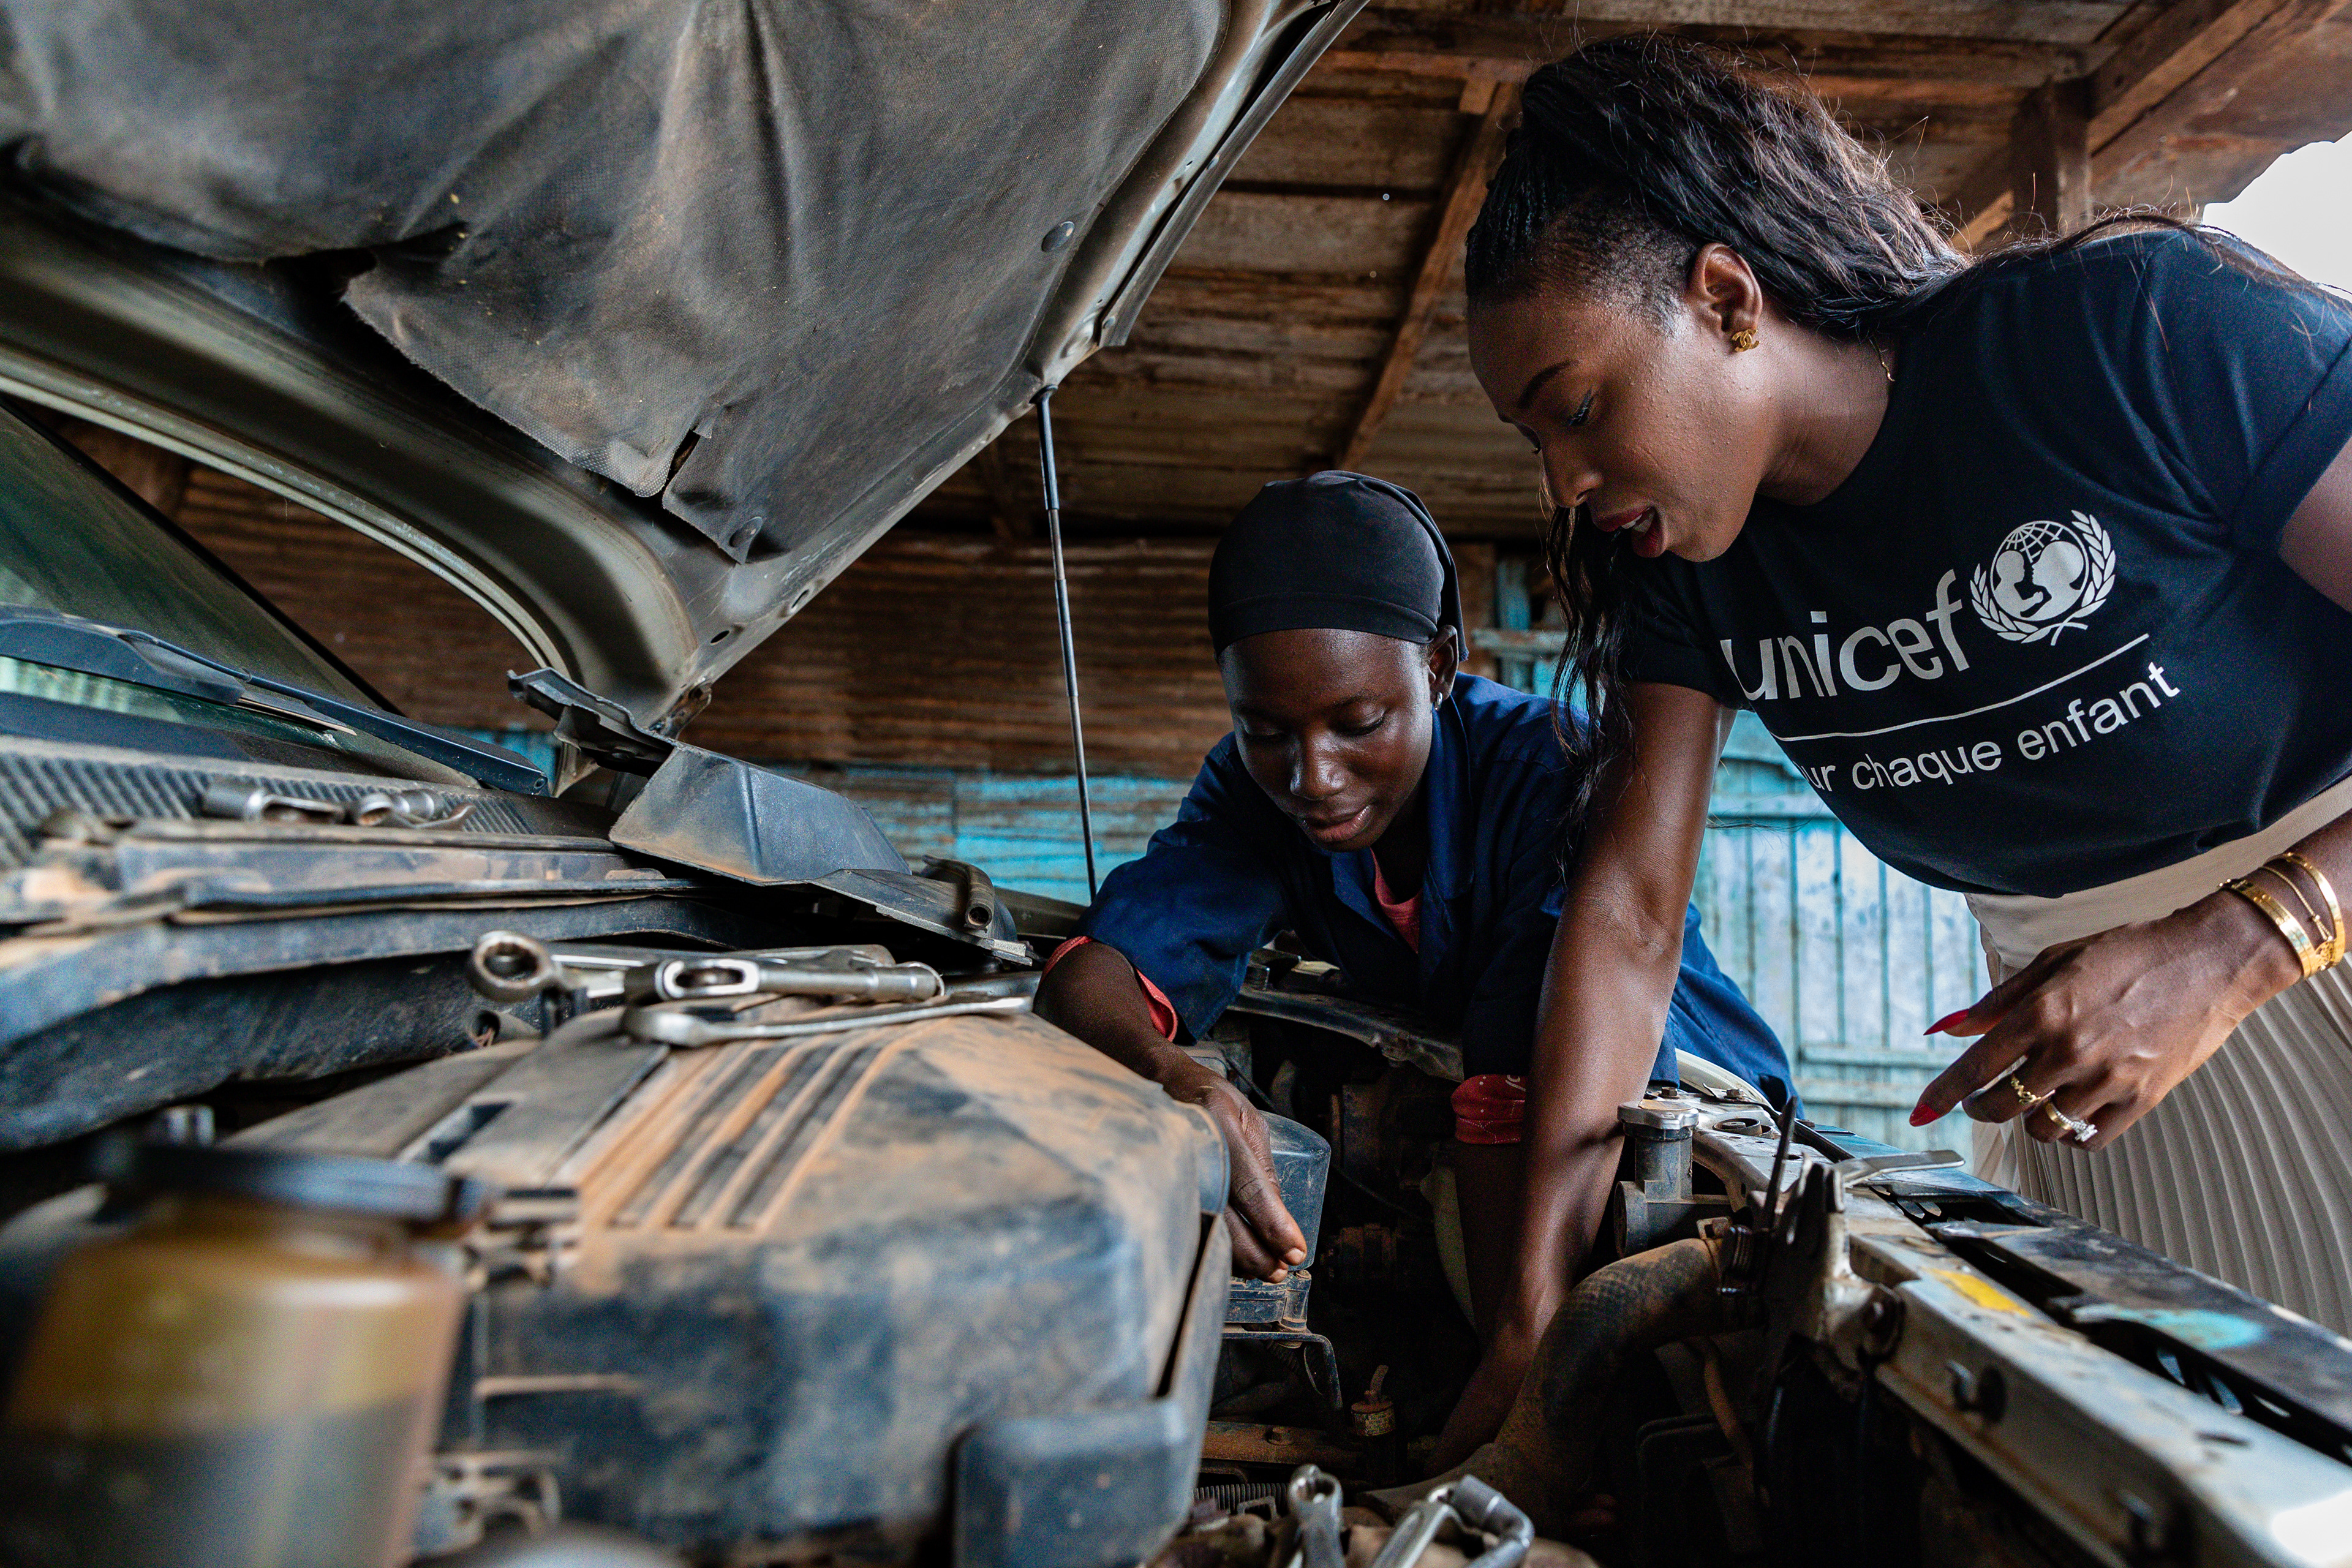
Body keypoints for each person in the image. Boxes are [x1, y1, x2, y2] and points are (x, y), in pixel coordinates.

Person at [1450, 29, 2352, 1446]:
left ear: (1727, 297)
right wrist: (1534, 1314)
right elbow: (1629, 913)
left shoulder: (2129, 336)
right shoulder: (1696, 571)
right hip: (2101, 1106)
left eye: (1577, 406)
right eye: (1534, 439)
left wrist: (2241, 944)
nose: (1565, 481)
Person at [1032, 470, 1792, 1459]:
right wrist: (1176, 1079)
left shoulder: (1547, 768)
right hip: (1498, 1156)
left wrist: (1519, 1360)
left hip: (1655, 1124)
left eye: (1357, 724)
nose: (1312, 777)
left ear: (1438, 666)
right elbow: (1091, 975)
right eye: (1266, 731)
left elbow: (1518, 1071)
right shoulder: (1251, 795)